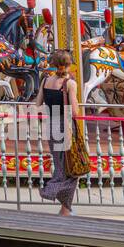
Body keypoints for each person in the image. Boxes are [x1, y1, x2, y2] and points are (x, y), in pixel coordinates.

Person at [35, 49, 82, 216]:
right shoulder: (70, 83)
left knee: (62, 167)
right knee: (73, 169)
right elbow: (75, 112)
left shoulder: (46, 81)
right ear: (69, 64)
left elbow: (38, 102)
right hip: (65, 125)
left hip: (51, 125)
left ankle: (65, 209)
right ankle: (50, 189)